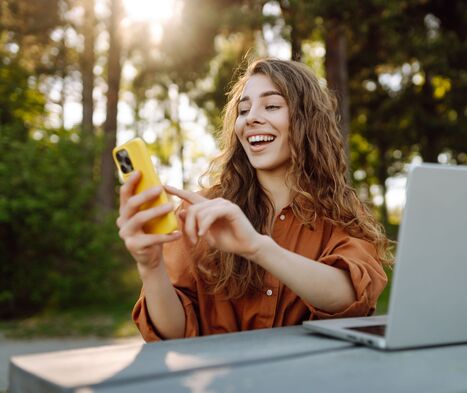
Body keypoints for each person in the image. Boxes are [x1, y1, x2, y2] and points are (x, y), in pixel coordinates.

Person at [116, 58, 392, 341]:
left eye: (271, 106)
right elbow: (172, 333)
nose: (250, 119)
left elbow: (350, 298)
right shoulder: (198, 213)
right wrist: (150, 267)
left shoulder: (342, 211)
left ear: (307, 120)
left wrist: (258, 248)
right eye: (244, 110)